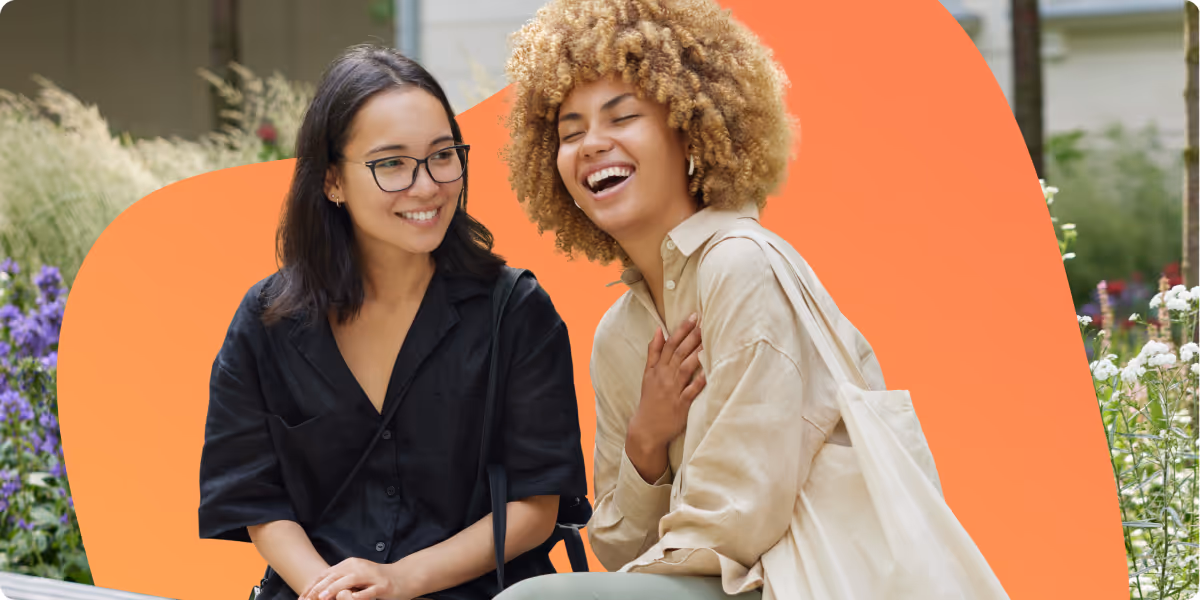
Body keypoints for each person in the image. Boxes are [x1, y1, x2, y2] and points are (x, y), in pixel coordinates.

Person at [496, 1, 1010, 599]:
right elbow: (616, 546)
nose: (592, 144)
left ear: (689, 128)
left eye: (622, 117)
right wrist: (646, 443)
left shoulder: (740, 264)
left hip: (798, 579)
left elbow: (740, 513)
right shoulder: (620, 334)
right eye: (570, 131)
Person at [198, 45, 587, 600]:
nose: (427, 186)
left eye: (442, 155)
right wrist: (326, 590)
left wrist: (400, 580)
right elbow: (256, 497)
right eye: (392, 164)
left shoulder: (516, 311)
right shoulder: (266, 322)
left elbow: (535, 508)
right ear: (332, 181)